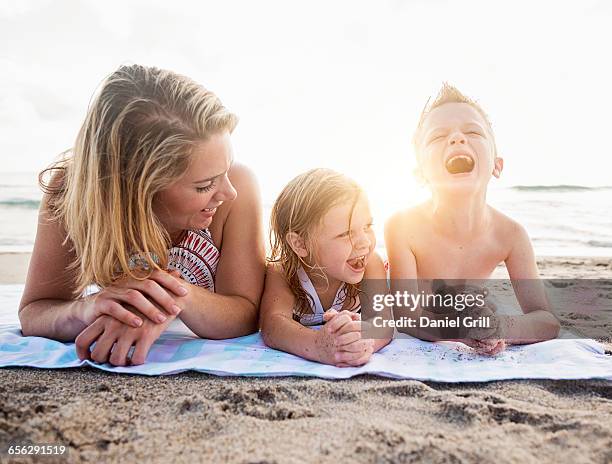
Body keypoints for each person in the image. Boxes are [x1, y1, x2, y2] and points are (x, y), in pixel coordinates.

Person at [18, 64, 266, 366]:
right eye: (204, 186)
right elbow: (35, 311)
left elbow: (247, 312)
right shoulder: (73, 194)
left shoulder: (238, 188)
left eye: (226, 168)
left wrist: (169, 295)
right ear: (138, 190)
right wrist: (85, 309)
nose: (228, 192)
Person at [384, 83, 560, 355]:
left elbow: (546, 320)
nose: (457, 138)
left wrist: (498, 327)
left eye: (473, 131)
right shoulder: (402, 226)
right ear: (419, 173)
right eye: (438, 136)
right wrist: (462, 330)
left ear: (496, 165)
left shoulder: (511, 235)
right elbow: (406, 316)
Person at [260, 169, 391, 367]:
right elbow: (273, 325)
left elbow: (383, 323)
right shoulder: (283, 273)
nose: (364, 242)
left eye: (367, 226)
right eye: (346, 233)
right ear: (300, 245)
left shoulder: (372, 264)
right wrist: (317, 346)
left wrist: (364, 343)